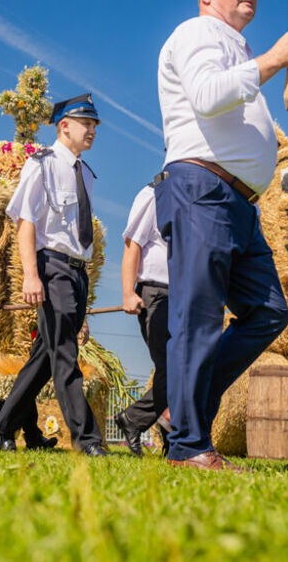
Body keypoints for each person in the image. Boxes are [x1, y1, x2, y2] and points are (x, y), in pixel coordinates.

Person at [154, 0, 288, 471]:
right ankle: (190, 446)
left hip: (239, 203)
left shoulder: (234, 46)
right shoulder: (199, 34)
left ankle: (182, 411)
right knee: (197, 317)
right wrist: (274, 60)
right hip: (203, 188)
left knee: (267, 313)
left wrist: (262, 60)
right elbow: (207, 95)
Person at [0, 94, 106, 456]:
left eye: (95, 126)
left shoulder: (84, 171)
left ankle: (0, 430)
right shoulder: (42, 165)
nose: (92, 131)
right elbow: (26, 223)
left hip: (77, 271)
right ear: (64, 126)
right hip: (51, 266)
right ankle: (88, 440)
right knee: (65, 355)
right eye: (86, 124)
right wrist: (31, 275)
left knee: (45, 358)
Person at [113, 184, 171, 456]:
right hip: (155, 293)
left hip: (181, 295)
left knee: (179, 368)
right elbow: (132, 243)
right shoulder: (152, 194)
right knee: (171, 368)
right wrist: (128, 292)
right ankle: (134, 419)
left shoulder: (189, 197)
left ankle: (170, 434)